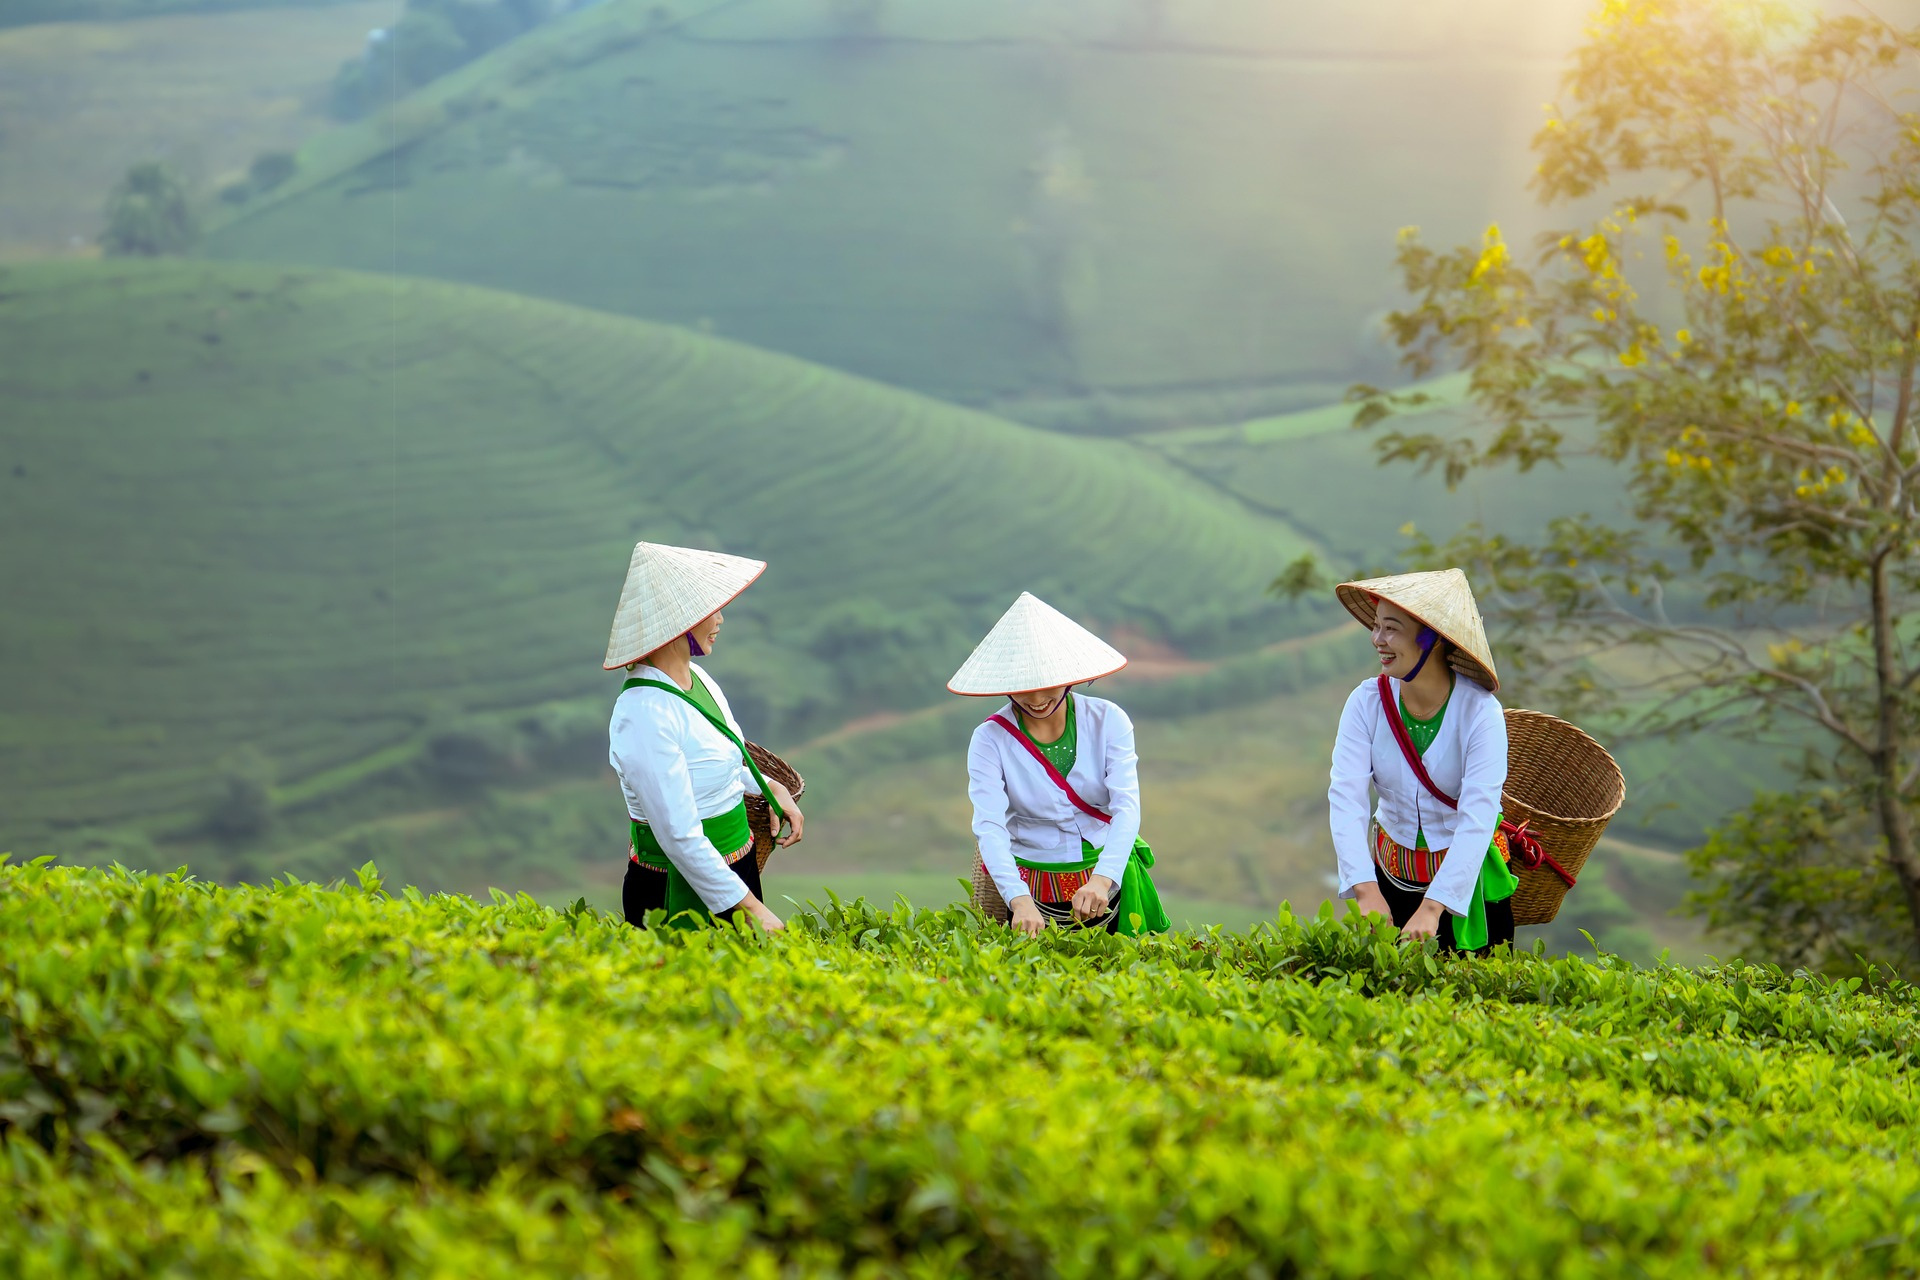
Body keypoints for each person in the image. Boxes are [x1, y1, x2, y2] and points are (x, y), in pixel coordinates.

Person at [604, 541, 802, 931]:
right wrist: (752, 910)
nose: (721, 620)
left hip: (735, 871)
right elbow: (677, 834)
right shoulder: (644, 713)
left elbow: (716, 762)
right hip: (676, 887)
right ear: (680, 622)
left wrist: (771, 787)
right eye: (712, 611)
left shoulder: (699, 680)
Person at [950, 592, 1169, 938]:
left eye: (1047, 684)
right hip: (1028, 887)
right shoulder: (989, 738)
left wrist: (1102, 879)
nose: (1036, 699)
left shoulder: (1108, 720)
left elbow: (1127, 806)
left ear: (1068, 676)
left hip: (1105, 879)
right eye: (1022, 687)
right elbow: (989, 824)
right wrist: (1019, 900)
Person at [1327, 568, 1518, 953]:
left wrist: (1433, 907)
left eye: (1391, 629)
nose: (1377, 639)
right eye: (1376, 626)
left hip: (1466, 886)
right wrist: (1366, 890)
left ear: (1431, 638)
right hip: (1390, 880)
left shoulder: (1480, 713)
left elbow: (1478, 815)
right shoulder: (1366, 703)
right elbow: (1346, 797)